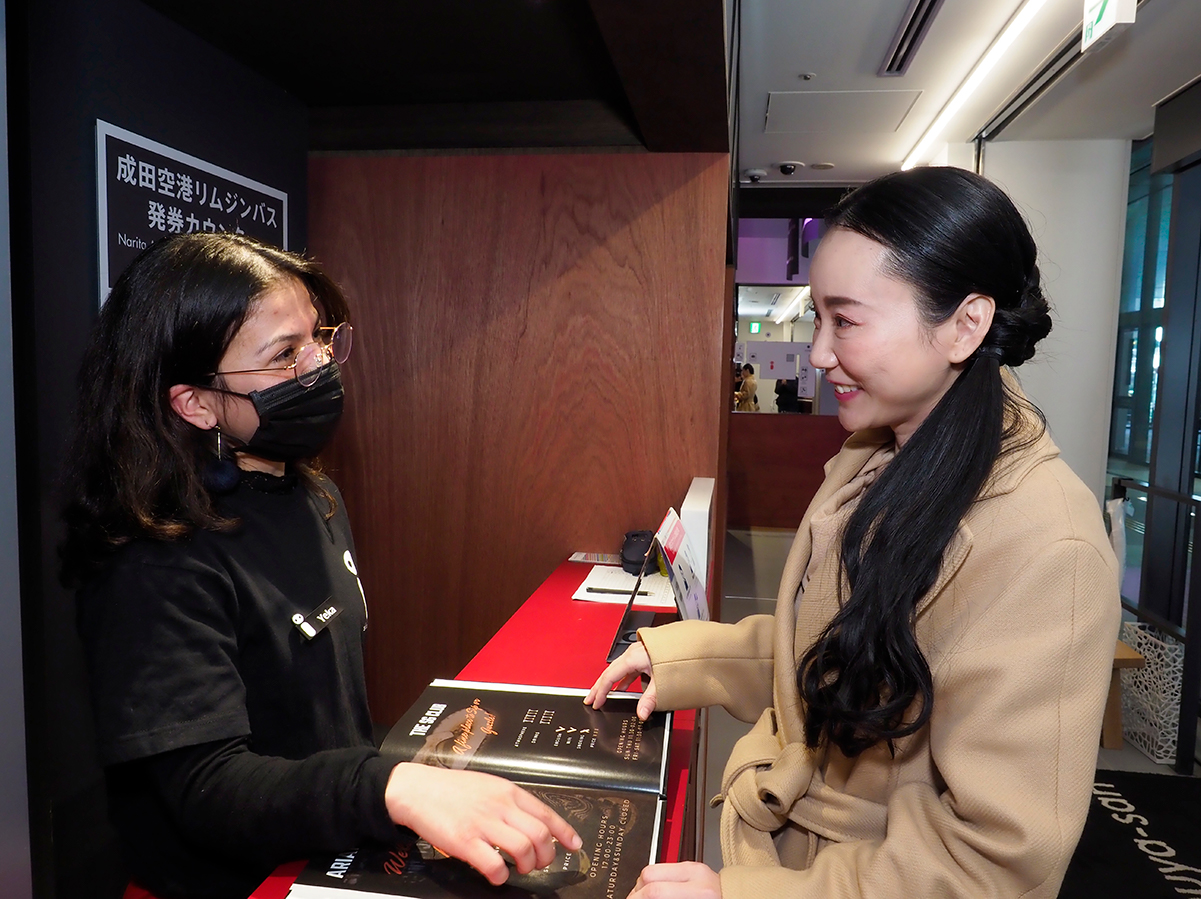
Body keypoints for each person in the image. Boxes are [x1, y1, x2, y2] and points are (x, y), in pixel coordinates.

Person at [587, 167, 1120, 899]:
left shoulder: (1044, 545)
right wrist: (680, 656)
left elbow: (991, 864)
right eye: (818, 318)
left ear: (964, 324)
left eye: (847, 320)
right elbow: (841, 652)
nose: (816, 353)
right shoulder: (880, 455)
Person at [61, 233, 580, 899]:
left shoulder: (315, 494)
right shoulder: (152, 558)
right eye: (284, 355)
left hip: (327, 854)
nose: (320, 366)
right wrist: (386, 786)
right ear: (193, 402)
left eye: (320, 337)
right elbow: (208, 786)